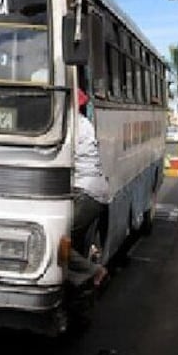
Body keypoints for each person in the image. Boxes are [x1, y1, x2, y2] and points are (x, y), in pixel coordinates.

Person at [69, 88, 110, 287]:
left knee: (56, 243)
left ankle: (93, 271)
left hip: (86, 192)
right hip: (92, 191)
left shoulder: (72, 125)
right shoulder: (81, 122)